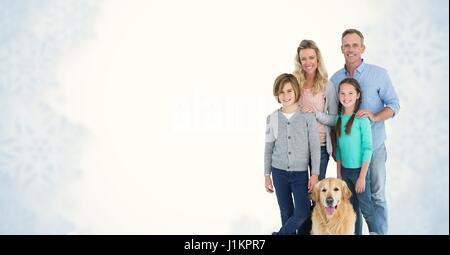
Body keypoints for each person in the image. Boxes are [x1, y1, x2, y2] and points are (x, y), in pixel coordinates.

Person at [330, 29, 400, 235]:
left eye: (355, 45)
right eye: (346, 45)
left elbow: (394, 104)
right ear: (341, 49)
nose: (350, 49)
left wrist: (376, 117)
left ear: (362, 48)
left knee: (375, 197)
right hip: (348, 156)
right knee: (353, 205)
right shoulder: (335, 80)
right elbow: (334, 115)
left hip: (374, 147)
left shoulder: (379, 74)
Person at [264, 73, 320, 235]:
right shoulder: (272, 118)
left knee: (302, 213)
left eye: (289, 91)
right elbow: (268, 148)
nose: (285, 95)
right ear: (277, 94)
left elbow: (315, 147)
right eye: (281, 92)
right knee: (286, 213)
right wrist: (267, 174)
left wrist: (315, 174)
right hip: (278, 172)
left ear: (296, 91)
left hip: (300, 174)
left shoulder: (307, 117)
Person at [335, 77, 381, 235]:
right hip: (346, 173)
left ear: (357, 95)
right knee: (352, 211)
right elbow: (339, 150)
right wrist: (339, 174)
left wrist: (362, 177)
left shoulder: (362, 120)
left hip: (360, 172)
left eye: (350, 93)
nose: (346, 97)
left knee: (367, 209)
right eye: (342, 93)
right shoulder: (338, 119)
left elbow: (368, 149)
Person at [294, 39, 338, 180]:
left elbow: (335, 119)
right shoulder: (294, 83)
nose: (308, 62)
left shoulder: (327, 85)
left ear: (317, 59)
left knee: (316, 194)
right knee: (300, 192)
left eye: (311, 57)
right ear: (299, 62)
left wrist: (316, 114)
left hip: (320, 146)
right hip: (298, 145)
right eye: (303, 59)